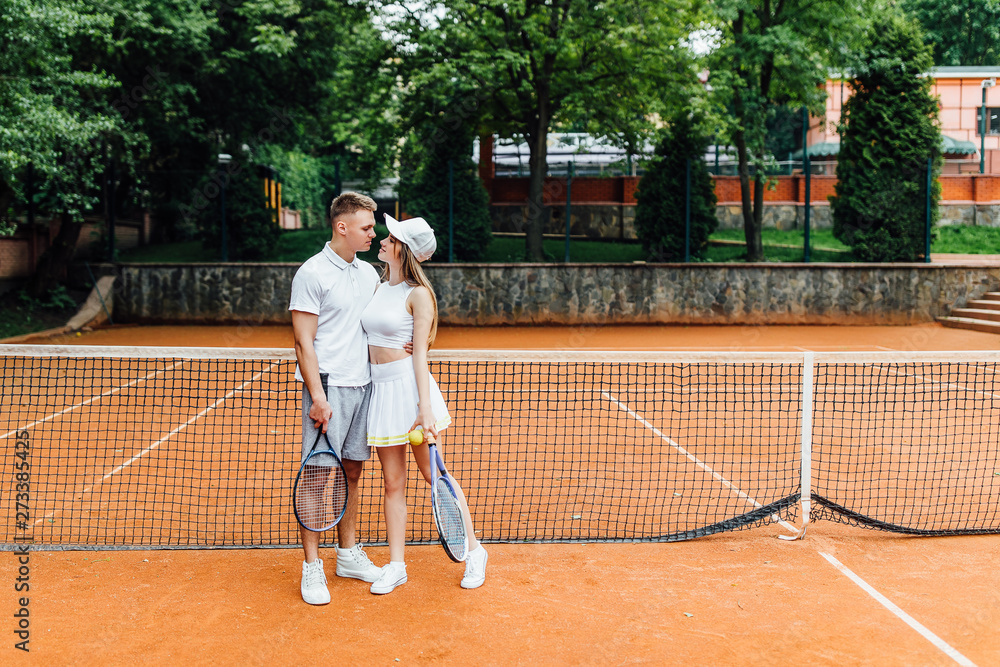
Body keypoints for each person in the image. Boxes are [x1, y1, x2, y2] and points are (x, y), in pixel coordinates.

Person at [361, 214, 488, 595]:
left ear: (404, 249)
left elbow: (419, 355)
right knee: (392, 483)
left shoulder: (419, 295)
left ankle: (475, 552)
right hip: (381, 391)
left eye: (389, 237)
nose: (382, 240)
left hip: (411, 393)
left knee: (436, 477)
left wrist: (425, 409)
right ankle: (396, 565)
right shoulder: (379, 285)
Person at [288, 192, 384, 605]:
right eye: (366, 227)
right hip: (328, 390)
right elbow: (302, 341)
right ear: (341, 227)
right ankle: (312, 567)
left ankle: (347, 555)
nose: (372, 233)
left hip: (364, 386)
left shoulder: (368, 274)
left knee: (352, 473)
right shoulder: (311, 273)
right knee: (317, 478)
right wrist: (317, 396)